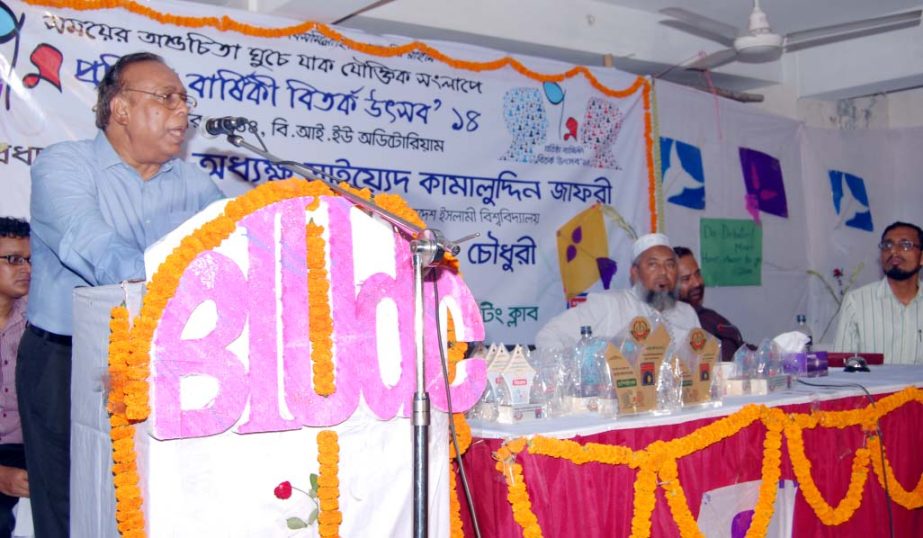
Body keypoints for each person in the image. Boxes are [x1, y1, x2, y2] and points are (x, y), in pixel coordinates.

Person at [19, 52, 224, 537]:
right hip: (66, 363)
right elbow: (94, 249)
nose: (183, 112)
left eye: (185, 100)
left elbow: (235, 255)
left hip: (165, 362)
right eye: (167, 97)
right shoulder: (64, 166)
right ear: (121, 109)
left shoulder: (197, 186)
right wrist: (178, 287)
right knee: (70, 506)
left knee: (153, 500)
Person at [535, 233, 700, 349]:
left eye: (670, 265)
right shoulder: (610, 305)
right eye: (653, 264)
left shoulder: (687, 313)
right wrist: (583, 374)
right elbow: (548, 336)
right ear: (635, 273)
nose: (663, 272)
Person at [834, 221, 923, 364]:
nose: (894, 251)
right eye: (887, 245)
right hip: (872, 387)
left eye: (905, 245)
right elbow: (842, 367)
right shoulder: (857, 301)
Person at [0, 218, 31, 538]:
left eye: (30, 260)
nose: (26, 269)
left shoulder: (43, 320)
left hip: (31, 446)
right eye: (13, 260)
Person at [673, 246, 751, 361]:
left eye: (698, 274)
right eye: (686, 279)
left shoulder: (709, 316)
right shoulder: (671, 325)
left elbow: (740, 347)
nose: (697, 283)